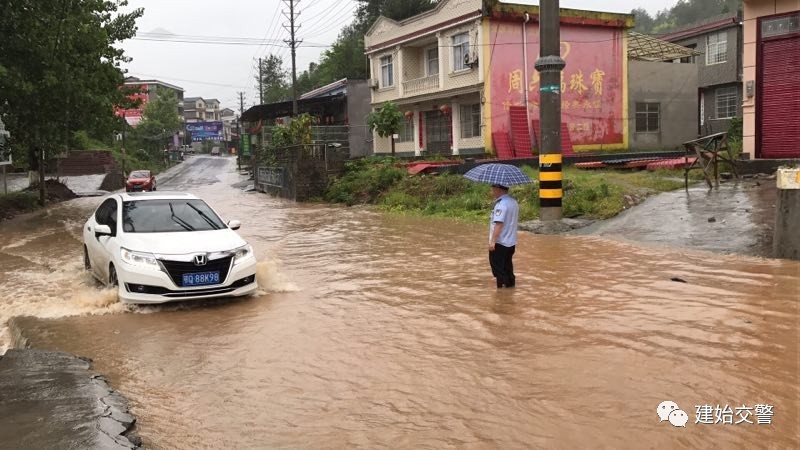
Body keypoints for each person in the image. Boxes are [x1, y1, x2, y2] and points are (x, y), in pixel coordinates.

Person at [488, 184, 519, 288]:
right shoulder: (513, 202)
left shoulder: (501, 204)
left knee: (498, 271)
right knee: (508, 268)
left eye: (493, 189)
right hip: (511, 242)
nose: (492, 192)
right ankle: (510, 291)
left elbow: (499, 224)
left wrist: (493, 242)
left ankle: (501, 294)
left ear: (498, 189)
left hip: (500, 242)